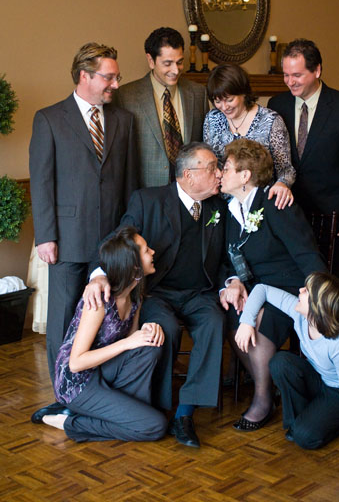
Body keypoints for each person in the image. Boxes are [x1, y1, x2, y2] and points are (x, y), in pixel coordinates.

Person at [84, 142, 227, 448]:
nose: (220, 173)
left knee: (215, 322)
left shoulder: (218, 207)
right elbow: (116, 240)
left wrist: (232, 282)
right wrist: (98, 275)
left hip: (200, 293)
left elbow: (227, 257)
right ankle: (159, 408)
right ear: (188, 175)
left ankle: (185, 412)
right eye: (213, 167)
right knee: (166, 329)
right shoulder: (148, 200)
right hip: (157, 293)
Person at [29, 42, 137, 422]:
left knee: (106, 317)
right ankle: (63, 397)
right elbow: (42, 182)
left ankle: (97, 392)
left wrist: (127, 234)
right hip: (67, 240)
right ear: (84, 76)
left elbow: (129, 181)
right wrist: (46, 236)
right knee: (63, 319)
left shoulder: (123, 121)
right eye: (109, 77)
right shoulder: (49, 119)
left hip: (111, 241)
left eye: (117, 77)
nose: (115, 84)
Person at [220, 138, 327, 431]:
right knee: (231, 313)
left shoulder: (275, 203)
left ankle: (263, 399)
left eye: (226, 168)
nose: (220, 173)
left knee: (258, 320)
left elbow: (306, 254)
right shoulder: (231, 209)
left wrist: (322, 298)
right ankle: (269, 384)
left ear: (245, 175)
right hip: (254, 288)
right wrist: (233, 283)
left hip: (289, 288)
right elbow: (227, 259)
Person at [38, 226, 167, 443]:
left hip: (102, 370)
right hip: (76, 384)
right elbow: (76, 364)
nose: (153, 252)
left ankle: (120, 415)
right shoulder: (99, 302)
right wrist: (128, 343)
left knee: (150, 347)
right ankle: (71, 422)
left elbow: (133, 344)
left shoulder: (135, 296)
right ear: (133, 265)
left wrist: (149, 330)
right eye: (146, 250)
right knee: (155, 426)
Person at [236, 272, 339, 450]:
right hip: (320, 379)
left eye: (307, 291)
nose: (300, 290)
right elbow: (262, 290)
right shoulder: (300, 314)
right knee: (280, 362)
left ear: (318, 306)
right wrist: (246, 321)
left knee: (305, 438)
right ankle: (298, 422)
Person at [268, 39, 339, 281]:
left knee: (331, 283)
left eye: (297, 75)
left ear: (317, 70)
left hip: (332, 217)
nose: (290, 82)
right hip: (289, 213)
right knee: (294, 282)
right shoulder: (277, 104)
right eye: (286, 75)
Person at [115, 27, 209, 188]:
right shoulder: (126, 96)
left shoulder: (198, 93)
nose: (175, 70)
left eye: (179, 62)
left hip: (190, 189)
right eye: (167, 63)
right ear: (151, 60)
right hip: (147, 191)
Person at [204, 63, 296, 210]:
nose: (224, 107)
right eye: (217, 101)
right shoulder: (212, 119)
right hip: (221, 205)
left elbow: (286, 171)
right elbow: (210, 163)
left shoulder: (271, 121)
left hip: (260, 206)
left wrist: (282, 184)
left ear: (243, 93)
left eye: (229, 100)